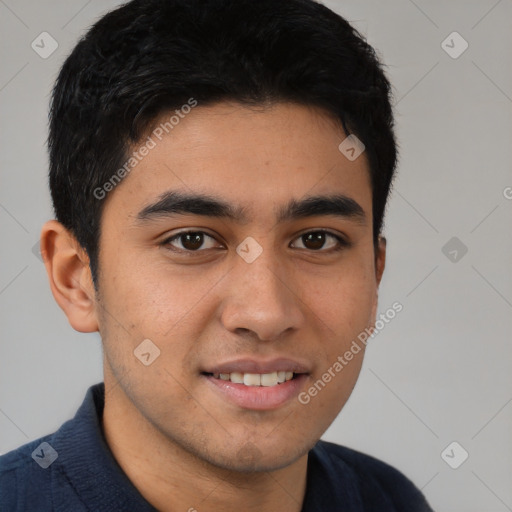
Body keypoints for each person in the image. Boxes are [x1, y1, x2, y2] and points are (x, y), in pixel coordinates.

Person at [0, 0, 434, 510]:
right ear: (76, 278)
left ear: (375, 272)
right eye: (191, 240)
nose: (266, 313)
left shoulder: (387, 500)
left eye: (316, 240)